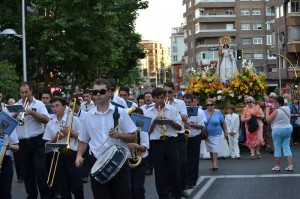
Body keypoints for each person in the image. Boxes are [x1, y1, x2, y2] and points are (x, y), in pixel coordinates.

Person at [75, 78, 136, 199]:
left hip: (119, 162)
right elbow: (83, 140)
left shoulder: (121, 113)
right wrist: (79, 155)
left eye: (102, 91)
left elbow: (133, 137)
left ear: (109, 92)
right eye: (95, 92)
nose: (98, 95)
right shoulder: (88, 116)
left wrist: (119, 135)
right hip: (97, 162)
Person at [144, 87, 187, 199]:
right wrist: (154, 121)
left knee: (174, 170)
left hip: (170, 141)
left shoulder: (172, 110)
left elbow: (179, 128)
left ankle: (177, 194)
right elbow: (147, 131)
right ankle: (163, 196)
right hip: (156, 143)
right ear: (153, 99)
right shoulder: (147, 112)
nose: (160, 100)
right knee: (160, 172)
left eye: (162, 98)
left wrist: (170, 121)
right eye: (157, 98)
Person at [14, 82, 51, 199]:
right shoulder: (16, 105)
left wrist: (32, 112)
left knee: (40, 169)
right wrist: (15, 114)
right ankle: (31, 195)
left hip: (37, 140)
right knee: (26, 171)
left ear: (31, 91)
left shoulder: (39, 104)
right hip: (23, 143)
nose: (24, 95)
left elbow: (46, 120)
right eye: (22, 92)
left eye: (26, 92)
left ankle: (45, 195)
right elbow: (9, 122)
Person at [43, 98, 84, 198]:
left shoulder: (74, 119)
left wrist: (69, 133)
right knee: (63, 187)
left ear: (64, 107)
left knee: (77, 185)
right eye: (52, 106)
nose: (54, 108)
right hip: (58, 156)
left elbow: (83, 137)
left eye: (57, 105)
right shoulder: (50, 124)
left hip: (72, 155)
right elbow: (46, 145)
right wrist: (56, 138)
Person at [163, 81, 188, 195]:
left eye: (169, 92)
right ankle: (170, 188)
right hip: (168, 136)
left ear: (173, 91)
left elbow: (185, 118)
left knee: (182, 162)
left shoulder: (180, 103)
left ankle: (182, 188)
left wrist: (173, 110)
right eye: (165, 92)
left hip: (179, 135)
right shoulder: (161, 103)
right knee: (170, 164)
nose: (167, 94)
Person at [183, 94, 205, 189]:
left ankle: (191, 181)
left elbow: (202, 126)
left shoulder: (199, 112)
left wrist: (191, 124)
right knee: (184, 160)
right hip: (183, 137)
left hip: (194, 137)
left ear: (193, 102)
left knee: (193, 160)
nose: (188, 104)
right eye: (185, 102)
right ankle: (184, 180)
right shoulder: (181, 112)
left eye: (189, 102)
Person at [265, 96, 293, 171]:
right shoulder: (287, 108)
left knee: (277, 147)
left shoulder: (276, 111)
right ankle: (290, 165)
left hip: (278, 129)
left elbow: (268, 120)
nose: (274, 104)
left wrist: (267, 111)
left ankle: (277, 166)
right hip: (288, 128)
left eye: (275, 102)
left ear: (280, 103)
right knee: (286, 147)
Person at [127, 107, 149, 199]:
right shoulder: (124, 129)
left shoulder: (142, 129)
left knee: (138, 188)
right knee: (127, 188)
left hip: (140, 160)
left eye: (140, 117)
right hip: (127, 160)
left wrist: (136, 146)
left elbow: (144, 148)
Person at [204, 98, 229, 170]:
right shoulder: (203, 112)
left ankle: (215, 163)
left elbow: (223, 122)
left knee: (215, 148)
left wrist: (226, 131)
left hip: (217, 133)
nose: (209, 106)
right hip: (207, 134)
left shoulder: (218, 112)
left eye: (211, 105)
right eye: (208, 105)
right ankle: (212, 162)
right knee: (211, 150)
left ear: (214, 105)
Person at [73, 97, 90, 183]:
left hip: (84, 138)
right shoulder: (70, 114)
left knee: (85, 158)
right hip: (74, 140)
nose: (73, 108)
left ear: (79, 106)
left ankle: (85, 175)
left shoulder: (85, 114)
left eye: (75, 106)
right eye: (72, 106)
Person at [0, 128, 19, 199]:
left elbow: (17, 147)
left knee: (5, 193)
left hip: (5, 161)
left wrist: (10, 146)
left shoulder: (9, 126)